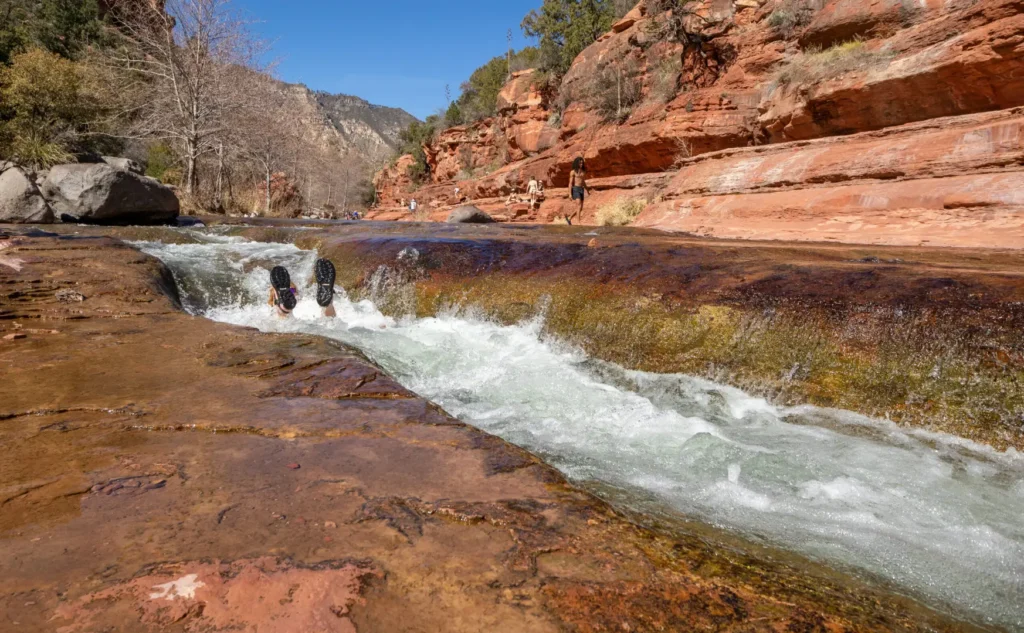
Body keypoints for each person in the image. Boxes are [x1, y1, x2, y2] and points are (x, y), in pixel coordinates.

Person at [567, 157, 590, 225]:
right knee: (579, 205)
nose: (581, 164)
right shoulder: (573, 172)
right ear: (576, 163)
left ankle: (570, 218)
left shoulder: (583, 172)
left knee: (580, 207)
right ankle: (578, 222)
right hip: (575, 189)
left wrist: (587, 189)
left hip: (581, 189)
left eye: (582, 163)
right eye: (580, 163)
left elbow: (583, 182)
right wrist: (570, 194)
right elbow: (570, 183)